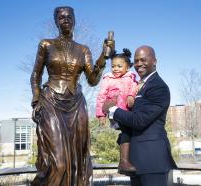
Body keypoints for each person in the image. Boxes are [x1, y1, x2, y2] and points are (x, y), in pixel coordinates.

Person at [30, 6, 114, 186]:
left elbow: (92, 80)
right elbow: (35, 75)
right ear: (56, 22)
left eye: (69, 16)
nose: (65, 19)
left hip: (76, 104)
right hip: (51, 101)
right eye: (61, 17)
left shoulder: (83, 50)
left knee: (77, 163)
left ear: (74, 20)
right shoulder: (46, 44)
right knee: (59, 163)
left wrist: (103, 57)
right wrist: (36, 100)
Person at [103, 45, 177, 186]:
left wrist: (112, 110)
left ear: (154, 61)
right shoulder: (139, 85)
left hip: (152, 160)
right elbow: (131, 120)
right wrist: (115, 121)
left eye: (143, 60)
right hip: (135, 160)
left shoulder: (158, 86)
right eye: (136, 61)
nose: (139, 64)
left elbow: (139, 120)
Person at [96, 48, 138, 175]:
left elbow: (134, 87)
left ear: (127, 67)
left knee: (129, 132)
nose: (115, 69)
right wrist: (100, 114)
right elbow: (101, 96)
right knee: (127, 130)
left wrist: (131, 96)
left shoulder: (131, 77)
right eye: (113, 66)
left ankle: (122, 143)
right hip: (115, 112)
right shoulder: (108, 79)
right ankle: (124, 161)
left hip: (128, 110)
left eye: (119, 66)